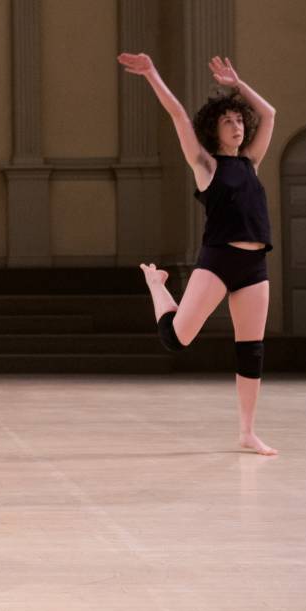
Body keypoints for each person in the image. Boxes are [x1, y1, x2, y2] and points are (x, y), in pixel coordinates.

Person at [117, 52, 279, 456]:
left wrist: (238, 86)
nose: (237, 126)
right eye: (228, 122)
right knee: (177, 338)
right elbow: (177, 115)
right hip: (218, 260)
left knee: (251, 348)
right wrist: (152, 73)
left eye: (239, 120)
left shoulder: (251, 162)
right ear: (214, 130)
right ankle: (157, 285)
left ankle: (247, 432)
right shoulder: (206, 165)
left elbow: (270, 113)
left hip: (254, 265)